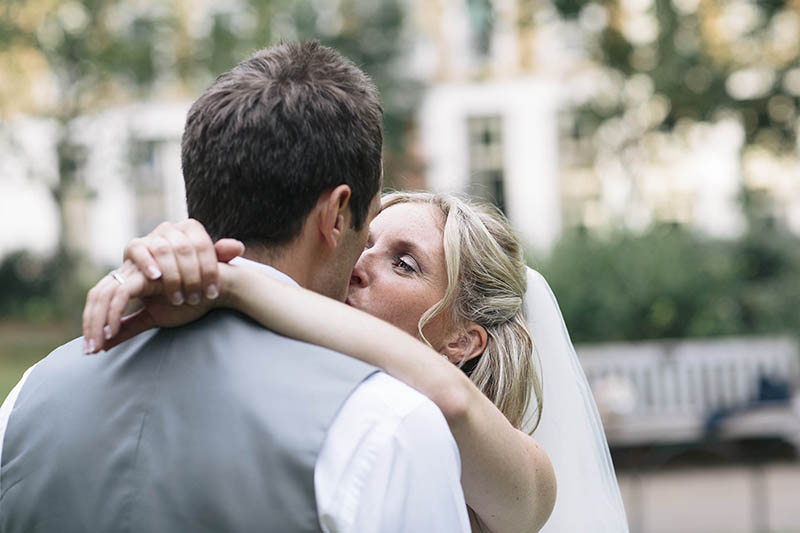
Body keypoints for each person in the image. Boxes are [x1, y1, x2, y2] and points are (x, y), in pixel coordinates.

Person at [0, 42, 472, 532]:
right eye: (366, 228)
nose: (362, 264)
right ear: (335, 216)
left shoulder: (26, 398)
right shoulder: (385, 425)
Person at [82, 192, 629, 531]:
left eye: (405, 263)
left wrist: (239, 281)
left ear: (464, 341)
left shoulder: (528, 477)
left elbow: (452, 402)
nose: (360, 265)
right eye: (363, 243)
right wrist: (178, 263)